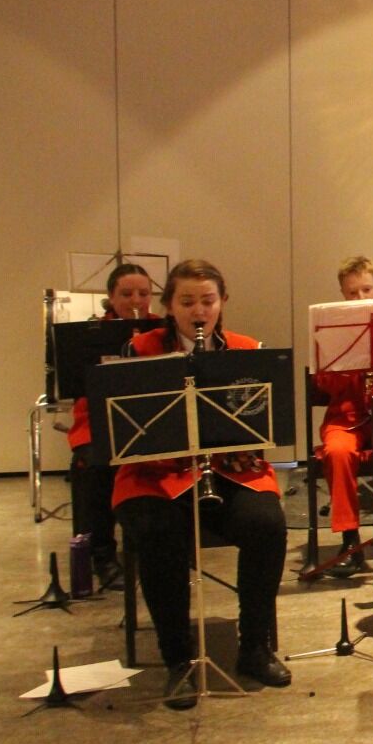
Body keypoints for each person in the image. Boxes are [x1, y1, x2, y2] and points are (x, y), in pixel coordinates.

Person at [112, 260, 290, 707]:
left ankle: (254, 646)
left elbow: (262, 426)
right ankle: (178, 660)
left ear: (222, 303)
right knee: (157, 531)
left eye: (207, 301)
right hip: (156, 475)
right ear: (169, 306)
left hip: (227, 469)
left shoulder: (247, 349)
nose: (198, 310)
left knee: (266, 524)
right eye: (187, 301)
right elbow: (126, 430)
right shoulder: (141, 349)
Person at [66, 262, 155, 590]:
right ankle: (102, 555)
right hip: (98, 420)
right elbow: (79, 387)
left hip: (151, 420)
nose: (136, 300)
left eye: (143, 293)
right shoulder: (89, 336)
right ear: (110, 297)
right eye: (126, 293)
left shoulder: (163, 330)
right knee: (96, 464)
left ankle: (162, 548)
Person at [311, 255, 373, 578]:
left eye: (366, 289)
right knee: (338, 452)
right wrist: (349, 361)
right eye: (352, 293)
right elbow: (323, 384)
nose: (360, 298)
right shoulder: (332, 330)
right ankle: (349, 539)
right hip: (347, 415)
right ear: (343, 295)